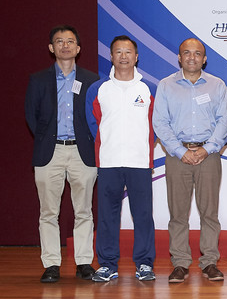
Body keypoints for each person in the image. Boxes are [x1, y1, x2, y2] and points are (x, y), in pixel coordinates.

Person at [25, 26, 100, 282]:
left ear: (78, 48)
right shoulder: (38, 80)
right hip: (50, 152)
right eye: (59, 41)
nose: (65, 45)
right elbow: (31, 116)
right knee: (48, 212)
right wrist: (48, 139)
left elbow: (97, 116)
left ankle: (83, 262)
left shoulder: (92, 80)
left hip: (83, 152)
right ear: (51, 48)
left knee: (84, 211)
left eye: (70, 41)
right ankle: (52, 264)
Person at [153, 38, 227, 283]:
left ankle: (209, 262)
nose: (192, 57)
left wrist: (207, 149)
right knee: (178, 214)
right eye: (186, 53)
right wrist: (179, 150)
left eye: (197, 54)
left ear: (204, 59)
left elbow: (224, 120)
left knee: (209, 213)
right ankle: (180, 263)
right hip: (177, 156)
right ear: (179, 57)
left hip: (208, 156)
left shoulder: (217, 86)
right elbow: (160, 122)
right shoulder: (166, 85)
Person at [84, 35, 157, 282]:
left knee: (143, 215)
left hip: (139, 162)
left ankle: (145, 263)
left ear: (136, 57)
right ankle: (106, 264)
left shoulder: (148, 89)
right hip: (109, 161)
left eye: (128, 52)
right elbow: (93, 123)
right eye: (118, 52)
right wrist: (109, 143)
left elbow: (155, 125)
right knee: (107, 215)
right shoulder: (98, 89)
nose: (123, 56)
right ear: (111, 56)